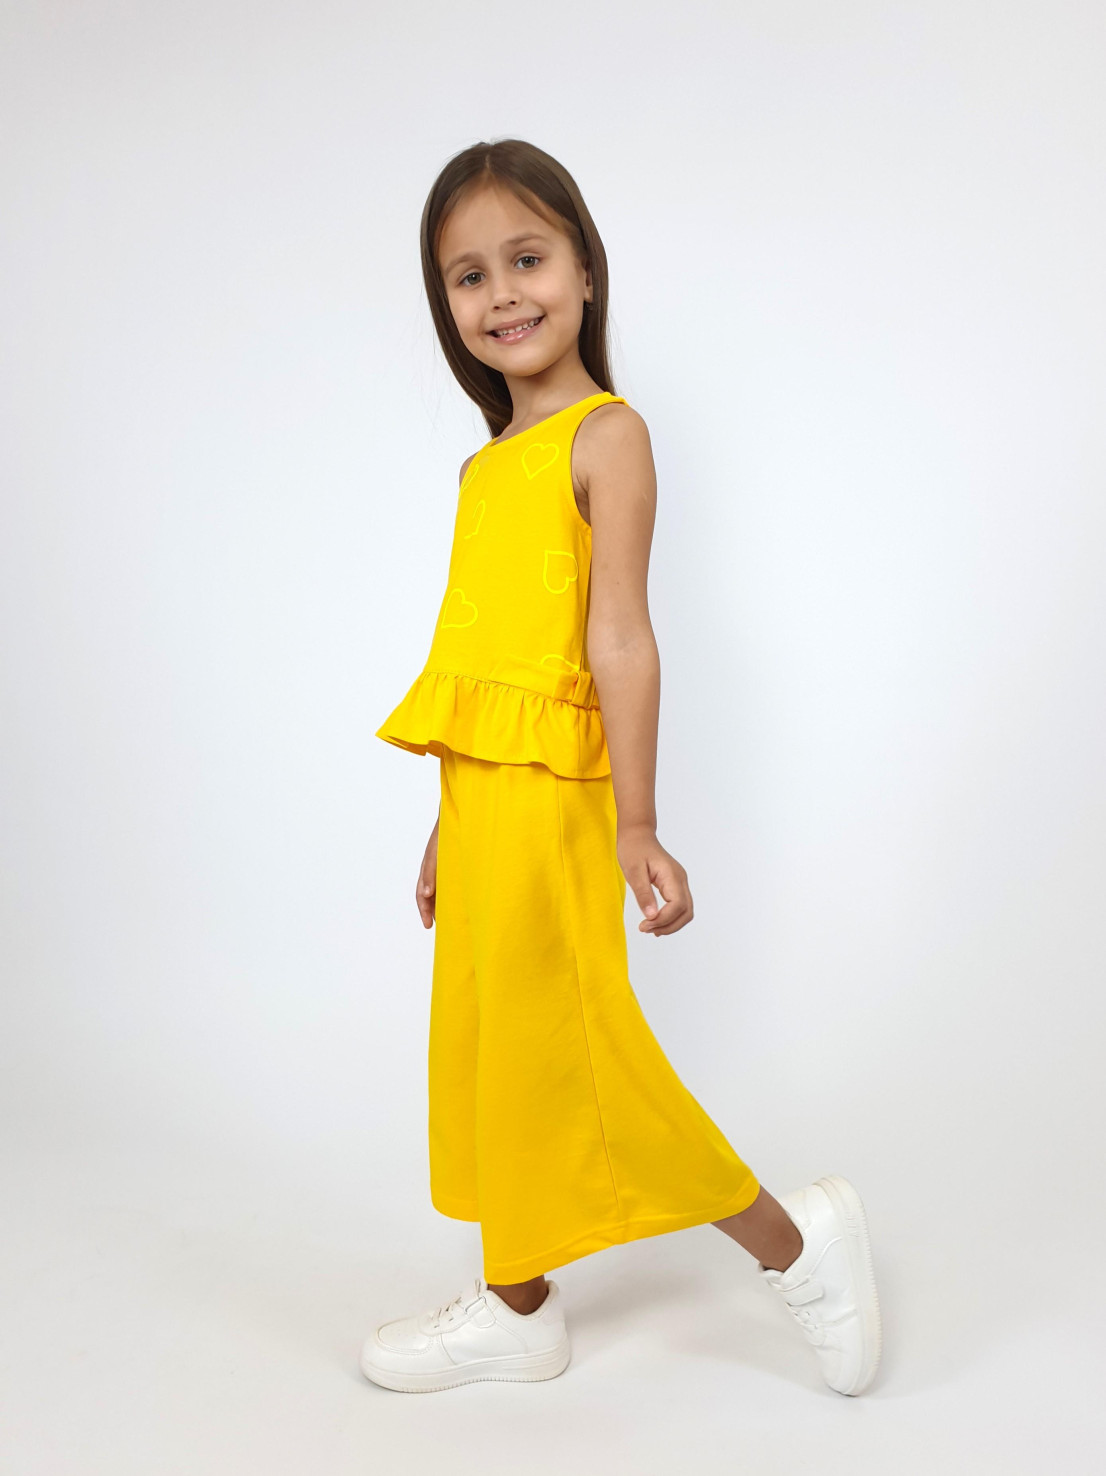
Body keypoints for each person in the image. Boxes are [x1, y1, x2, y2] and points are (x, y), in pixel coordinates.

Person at [361, 138, 882, 1397]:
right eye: (468, 276)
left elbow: (618, 638)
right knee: (500, 1045)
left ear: (584, 270)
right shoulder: (484, 467)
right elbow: (483, 659)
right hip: (484, 801)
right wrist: (446, 816)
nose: (502, 295)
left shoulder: (607, 436)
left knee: (586, 1047)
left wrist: (636, 822)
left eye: (526, 259)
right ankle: (517, 1302)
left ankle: (794, 1243)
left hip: (559, 802)